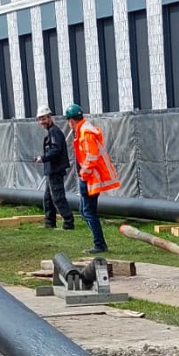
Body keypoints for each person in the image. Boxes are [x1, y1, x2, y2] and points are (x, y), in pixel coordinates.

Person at [67, 103, 118, 255]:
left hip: (89, 179)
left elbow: (92, 156)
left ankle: (99, 244)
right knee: (85, 211)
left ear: (71, 121)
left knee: (88, 212)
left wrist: (83, 173)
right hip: (88, 178)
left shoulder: (85, 133)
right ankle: (99, 242)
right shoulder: (84, 130)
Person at [34, 104, 74, 230]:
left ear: (49, 117)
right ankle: (49, 222)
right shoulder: (52, 132)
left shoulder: (54, 132)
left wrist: (43, 158)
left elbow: (56, 149)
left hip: (55, 169)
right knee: (48, 198)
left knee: (58, 197)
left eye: (44, 118)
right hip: (51, 170)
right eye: (40, 119)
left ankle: (68, 222)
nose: (42, 122)